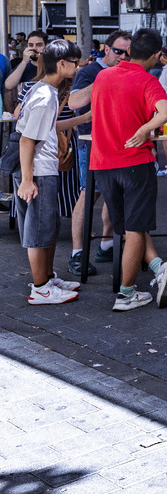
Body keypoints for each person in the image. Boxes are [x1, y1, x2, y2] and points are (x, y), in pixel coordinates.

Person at [89, 28, 167, 312]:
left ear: (129, 51)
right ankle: (126, 294)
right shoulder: (147, 80)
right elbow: (165, 112)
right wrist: (144, 129)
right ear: (155, 55)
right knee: (136, 228)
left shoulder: (103, 75)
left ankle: (157, 266)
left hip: (102, 163)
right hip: (134, 163)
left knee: (126, 227)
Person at [17, 40, 82, 305]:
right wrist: (27, 180)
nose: (78, 67)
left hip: (45, 169)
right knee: (40, 231)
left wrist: (82, 120)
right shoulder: (44, 95)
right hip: (40, 171)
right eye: (74, 62)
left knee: (48, 227)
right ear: (62, 64)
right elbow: (26, 140)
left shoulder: (45, 90)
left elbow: (44, 128)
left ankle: (47, 278)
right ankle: (41, 288)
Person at [65, 31, 130, 276]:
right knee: (88, 194)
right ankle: (77, 253)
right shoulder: (89, 72)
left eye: (127, 53)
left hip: (117, 143)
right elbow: (74, 103)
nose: (122, 57)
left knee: (114, 193)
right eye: (118, 51)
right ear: (107, 49)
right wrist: (104, 79)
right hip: (90, 143)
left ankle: (106, 245)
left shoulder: (125, 71)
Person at [5, 30, 48, 97]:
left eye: (39, 45)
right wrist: (24, 61)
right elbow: (9, 85)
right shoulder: (25, 66)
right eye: (31, 45)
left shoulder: (54, 66)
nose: (34, 48)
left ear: (46, 46)